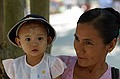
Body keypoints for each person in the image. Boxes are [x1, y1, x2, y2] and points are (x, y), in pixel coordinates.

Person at [59, 7, 120, 79]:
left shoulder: (115, 76)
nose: (79, 50)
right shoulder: (58, 66)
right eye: (77, 39)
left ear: (111, 45)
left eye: (88, 43)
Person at [2, 14, 66, 79]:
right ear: (19, 42)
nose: (34, 44)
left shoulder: (52, 64)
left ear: (48, 40)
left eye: (40, 38)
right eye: (28, 39)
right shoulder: (15, 66)